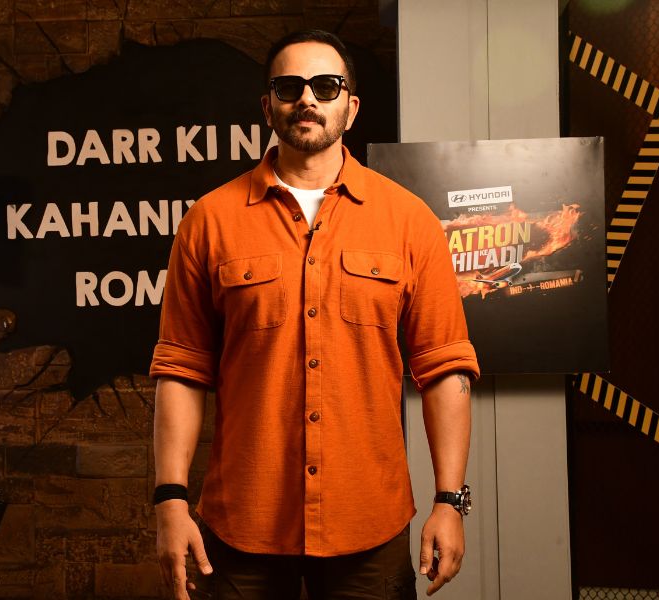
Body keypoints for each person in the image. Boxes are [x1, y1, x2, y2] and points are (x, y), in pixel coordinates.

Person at [150, 29, 479, 600]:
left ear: (350, 107)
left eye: (326, 86)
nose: (307, 98)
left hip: (369, 522)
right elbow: (182, 369)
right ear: (267, 106)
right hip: (243, 523)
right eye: (290, 87)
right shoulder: (209, 221)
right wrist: (170, 501)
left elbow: (444, 367)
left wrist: (449, 502)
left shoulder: (409, 221)